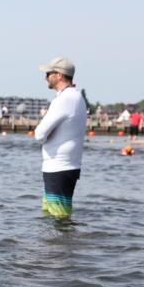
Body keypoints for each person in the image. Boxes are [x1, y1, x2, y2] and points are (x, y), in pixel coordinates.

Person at [34, 56, 87, 218]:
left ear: (59, 75)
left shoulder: (65, 99)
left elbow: (39, 134)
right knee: (52, 217)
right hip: (64, 165)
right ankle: (62, 243)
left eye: (48, 73)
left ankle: (65, 244)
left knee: (59, 219)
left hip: (59, 166)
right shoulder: (75, 96)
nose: (45, 78)